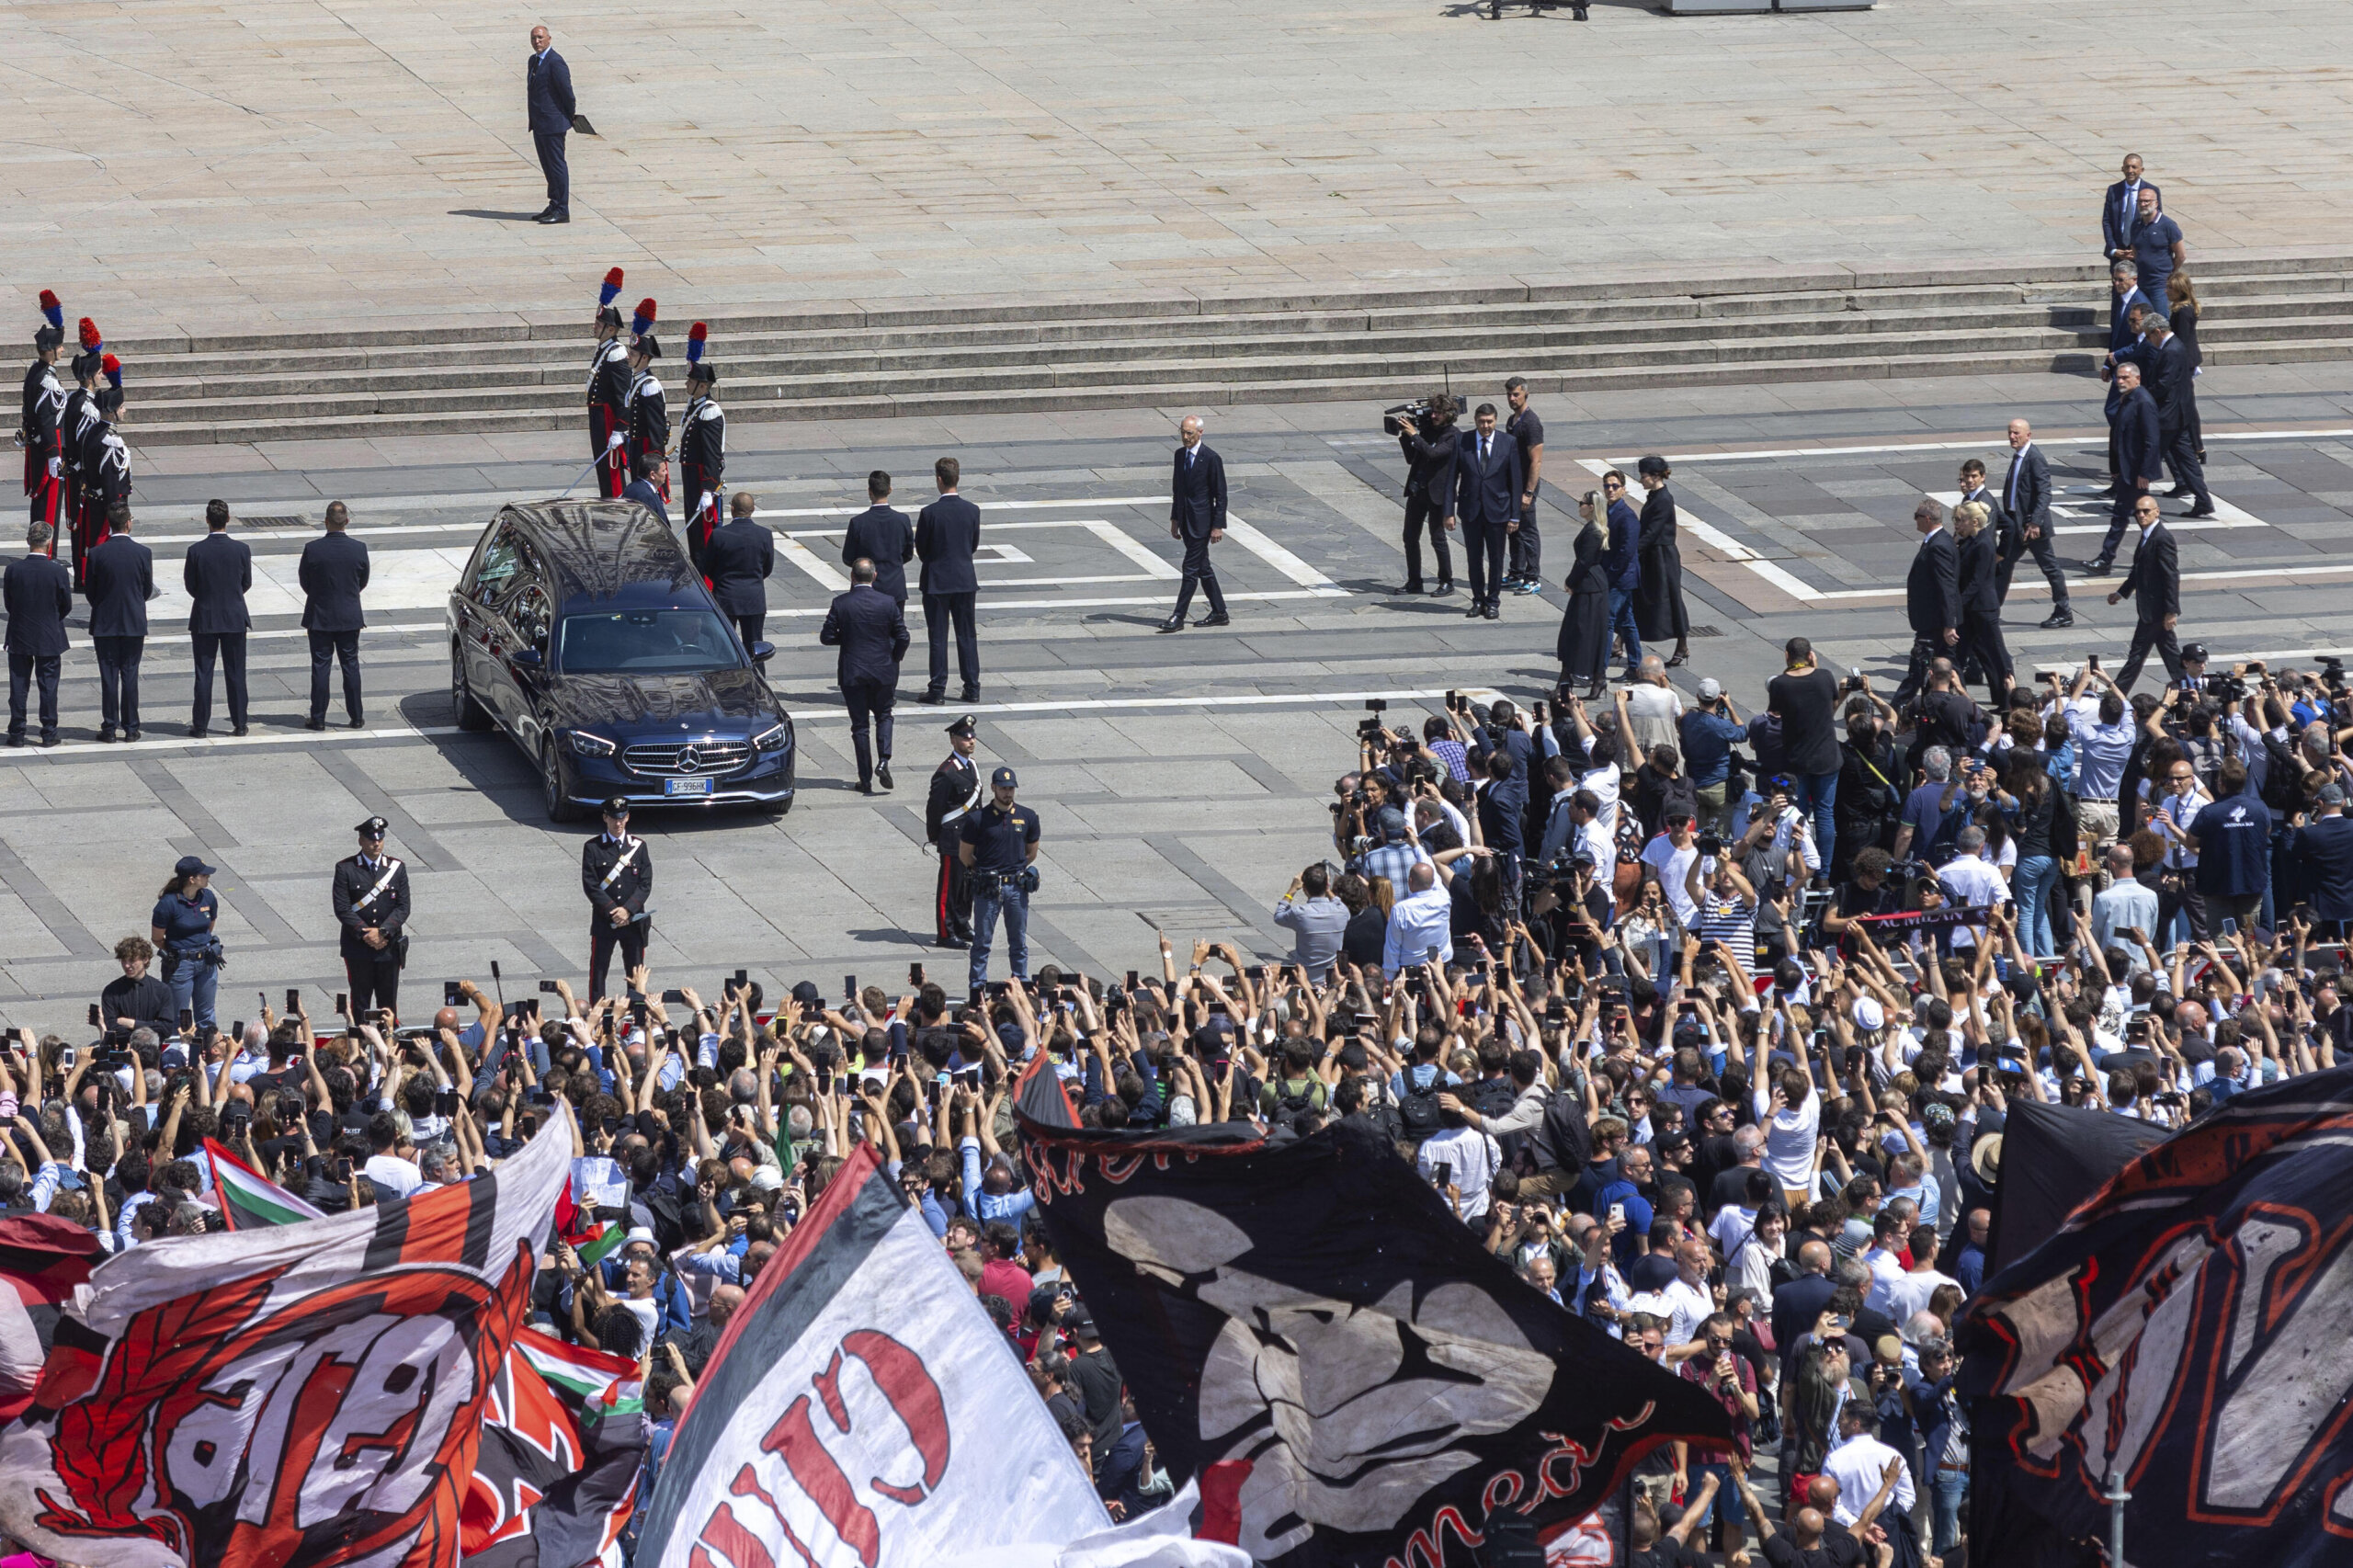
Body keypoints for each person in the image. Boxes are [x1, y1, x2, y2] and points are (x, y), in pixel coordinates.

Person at [820, 558, 910, 794]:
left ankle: (865, 779)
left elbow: (827, 636)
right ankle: (884, 760)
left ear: (852, 576)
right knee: (884, 716)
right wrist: (894, 658)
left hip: (853, 672)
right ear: (875, 576)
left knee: (860, 726)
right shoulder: (888, 603)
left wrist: (848, 638)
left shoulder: (841, 603)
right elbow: (903, 636)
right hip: (882, 670)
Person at [961, 766, 1041, 997]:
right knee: (982, 941)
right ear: (993, 788)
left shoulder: (1027, 816)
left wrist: (1015, 870)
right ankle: (977, 985)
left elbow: (1031, 852)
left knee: (1018, 940)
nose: (1008, 793)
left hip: (1016, 887)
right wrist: (984, 872)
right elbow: (965, 855)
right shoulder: (978, 819)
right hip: (988, 888)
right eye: (1004, 788)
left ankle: (1021, 983)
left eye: (1011, 788)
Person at [1768, 638, 1841, 875]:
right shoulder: (1825, 676)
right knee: (1825, 814)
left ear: (1787, 656)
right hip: (1827, 759)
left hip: (1796, 760)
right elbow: (1832, 702)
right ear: (1810, 655)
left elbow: (1776, 710)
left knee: (1794, 813)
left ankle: (1793, 867)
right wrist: (1816, 667)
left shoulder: (1780, 683)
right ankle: (1824, 873)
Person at [83, 502, 152, 743]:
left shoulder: (97, 553)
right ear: (129, 523)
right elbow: (146, 589)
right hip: (133, 622)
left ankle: (110, 727)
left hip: (105, 622)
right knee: (130, 675)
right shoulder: (143, 553)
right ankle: (131, 728)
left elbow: (90, 591)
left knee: (109, 676)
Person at [184, 499, 251, 737]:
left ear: (207, 521)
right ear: (228, 519)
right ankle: (240, 723)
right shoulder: (241, 550)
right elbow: (246, 583)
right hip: (233, 616)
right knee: (236, 673)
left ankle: (200, 726)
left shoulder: (196, 551)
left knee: (204, 673)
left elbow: (191, 586)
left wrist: (207, 598)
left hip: (205, 616)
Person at [916, 457, 982, 704]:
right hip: (965, 579)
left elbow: (921, 549)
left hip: (936, 581)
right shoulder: (972, 510)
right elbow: (972, 544)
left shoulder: (929, 513)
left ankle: (938, 689)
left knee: (938, 637)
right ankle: (972, 688)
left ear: (939, 480)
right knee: (967, 635)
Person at [299, 501, 369, 731]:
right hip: (349, 616)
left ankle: (318, 718)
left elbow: (305, 581)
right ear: (346, 521)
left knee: (320, 666)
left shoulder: (313, 549)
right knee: (351, 666)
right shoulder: (359, 548)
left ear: (325, 522)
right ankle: (356, 717)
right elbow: (362, 580)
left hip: (321, 616)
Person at [334, 816, 411, 1020]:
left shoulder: (396, 868)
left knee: (388, 1005)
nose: (376, 843)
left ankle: (388, 1045)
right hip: (358, 948)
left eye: (380, 838)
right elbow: (342, 908)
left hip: (388, 947)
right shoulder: (346, 869)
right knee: (360, 1004)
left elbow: (403, 907)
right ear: (361, 840)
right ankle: (359, 1047)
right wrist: (365, 934)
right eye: (371, 839)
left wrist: (383, 932)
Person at [1449, 401, 1519, 621]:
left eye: (1489, 422)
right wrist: (1448, 511)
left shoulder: (1508, 443)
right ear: (1475, 421)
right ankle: (1478, 598)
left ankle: (1493, 600)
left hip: (1498, 511)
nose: (1485, 426)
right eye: (1481, 422)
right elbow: (1452, 478)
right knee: (1474, 558)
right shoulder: (1463, 441)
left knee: (1496, 559)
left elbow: (1515, 482)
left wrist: (1515, 515)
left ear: (1495, 421)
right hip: (1471, 511)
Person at [1997, 417, 2069, 626]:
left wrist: (2035, 522)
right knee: (2003, 564)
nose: (2012, 436)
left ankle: (2064, 611)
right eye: (2010, 432)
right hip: (2017, 525)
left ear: (2028, 435)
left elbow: (2045, 493)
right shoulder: (2019, 456)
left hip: (2031, 527)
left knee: (2050, 568)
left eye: (2016, 433)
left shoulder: (2034, 458)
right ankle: (1992, 610)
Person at [1161, 415, 1230, 632]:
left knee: (1189, 569)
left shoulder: (1211, 458)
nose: (1185, 437)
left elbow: (1221, 495)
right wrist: (1174, 519)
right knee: (1203, 568)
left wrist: (1218, 526)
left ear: (1200, 433)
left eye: (1189, 433)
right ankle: (1220, 612)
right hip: (1185, 521)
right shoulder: (1180, 455)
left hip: (1202, 523)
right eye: (1182, 432)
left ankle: (1178, 616)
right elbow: (1177, 490)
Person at [3, 521, 69, 746]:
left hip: (20, 633)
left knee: (19, 686)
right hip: (49, 635)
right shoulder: (58, 571)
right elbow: (65, 605)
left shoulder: (13, 570)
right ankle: (49, 732)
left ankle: (17, 732)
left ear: (28, 541)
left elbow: (9, 603)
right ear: (49, 544)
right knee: (48, 686)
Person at [2142, 311, 2212, 518]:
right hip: (2178, 415)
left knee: (2146, 457)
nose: (2148, 340)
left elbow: (2164, 384)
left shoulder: (2171, 350)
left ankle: (2132, 499)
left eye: (2148, 336)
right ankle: (2203, 500)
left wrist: (2142, 395)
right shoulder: (2175, 347)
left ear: (2157, 332)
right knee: (2186, 460)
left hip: (2168, 417)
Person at [2109, 493, 2181, 692]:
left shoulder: (2162, 538)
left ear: (2157, 512)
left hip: (2156, 611)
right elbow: (2139, 571)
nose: (2141, 515)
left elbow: (2171, 576)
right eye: (2138, 511)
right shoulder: (2147, 535)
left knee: (2137, 654)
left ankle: (2116, 694)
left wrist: (2171, 611)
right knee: (2170, 653)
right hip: (2150, 609)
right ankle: (2189, 687)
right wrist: (2121, 592)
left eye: (2146, 511)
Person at [2097, 358, 2162, 574]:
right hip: (2127, 470)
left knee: (2124, 515)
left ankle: (2106, 559)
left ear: (2137, 378)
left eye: (2125, 377)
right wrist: (2115, 467)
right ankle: (2155, 555)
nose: (2120, 381)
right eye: (2118, 377)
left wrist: (2145, 472)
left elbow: (2152, 440)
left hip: (2135, 472)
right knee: (2136, 515)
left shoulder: (2143, 402)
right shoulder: (2128, 399)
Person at [582, 798, 652, 999]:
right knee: (599, 971)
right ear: (605, 818)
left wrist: (628, 910)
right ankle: (596, 1012)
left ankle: (635, 1013)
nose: (618, 823)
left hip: (632, 921)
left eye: (622, 818)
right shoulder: (593, 848)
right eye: (613, 818)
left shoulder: (639, 847)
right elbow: (591, 885)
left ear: (628, 817)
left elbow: (645, 883)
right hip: (606, 921)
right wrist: (613, 910)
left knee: (635, 972)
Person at [1391, 393, 1459, 597]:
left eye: (1438, 413)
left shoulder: (1453, 436)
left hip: (1438, 495)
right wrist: (1404, 435)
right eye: (1433, 412)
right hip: (1418, 490)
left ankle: (1447, 581)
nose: (1434, 416)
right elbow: (1413, 458)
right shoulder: (1427, 431)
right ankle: (1414, 581)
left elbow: (1433, 454)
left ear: (1448, 414)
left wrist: (1414, 435)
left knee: (1437, 539)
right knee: (1409, 536)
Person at [1893, 499, 1958, 705]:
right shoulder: (1937, 541)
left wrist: (1949, 625)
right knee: (1942, 669)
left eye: (1917, 517)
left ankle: (1894, 713)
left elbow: (1946, 587)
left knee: (1919, 671)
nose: (1915, 521)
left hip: (1935, 623)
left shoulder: (1938, 546)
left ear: (1927, 519)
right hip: (1934, 621)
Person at [926, 715, 983, 947]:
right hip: (953, 838)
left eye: (972, 737)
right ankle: (945, 932)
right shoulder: (947, 772)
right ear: (953, 740)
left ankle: (961, 922)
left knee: (966, 886)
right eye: (965, 737)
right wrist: (935, 836)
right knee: (949, 888)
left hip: (970, 838)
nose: (971, 741)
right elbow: (935, 808)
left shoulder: (971, 766)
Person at [152, 854, 222, 1028]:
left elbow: (209, 927)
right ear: (192, 879)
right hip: (181, 965)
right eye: (204, 875)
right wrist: (179, 951)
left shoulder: (208, 897)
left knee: (206, 1014)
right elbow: (157, 938)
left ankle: (209, 1051)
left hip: (207, 961)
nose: (208, 877)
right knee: (178, 1016)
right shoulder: (168, 904)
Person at [1952, 501, 2011, 709]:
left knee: (1997, 654)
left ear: (1974, 521)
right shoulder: (1969, 540)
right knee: (1959, 652)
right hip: (1971, 610)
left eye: (1961, 520)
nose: (1957, 524)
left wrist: (1957, 603)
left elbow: (1977, 581)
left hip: (1983, 608)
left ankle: (2006, 699)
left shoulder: (1984, 544)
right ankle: (1956, 694)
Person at [1632, 457, 1689, 667]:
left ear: (1655, 476)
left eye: (1644, 476)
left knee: (1671, 599)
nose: (1641, 480)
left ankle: (1682, 644)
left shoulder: (1663, 499)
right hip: (1652, 555)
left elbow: (1652, 532)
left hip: (1662, 557)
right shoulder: (1655, 496)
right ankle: (1621, 641)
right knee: (1639, 597)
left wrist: (1633, 551)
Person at [702, 491, 775, 654]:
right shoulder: (764, 535)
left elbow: (708, 566)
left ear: (732, 509)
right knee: (755, 648)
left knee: (722, 647)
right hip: (753, 598)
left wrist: (721, 580)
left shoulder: (719, 535)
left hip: (726, 596)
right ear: (753, 509)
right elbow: (767, 567)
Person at [1556, 490, 1611, 699]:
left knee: (1582, 633)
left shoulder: (1594, 532)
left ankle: (1578, 679)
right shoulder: (1593, 528)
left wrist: (1570, 581)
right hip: (1589, 587)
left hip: (1590, 588)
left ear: (1591, 507)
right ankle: (1571, 679)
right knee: (1576, 633)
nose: (1579, 505)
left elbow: (1584, 562)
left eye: (1582, 502)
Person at [676, 342, 726, 563]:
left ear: (703, 386)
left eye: (691, 381)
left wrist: (708, 488)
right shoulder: (695, 405)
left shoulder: (710, 412)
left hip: (701, 478)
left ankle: (708, 581)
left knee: (703, 535)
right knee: (694, 533)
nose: (687, 384)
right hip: (691, 477)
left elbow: (711, 454)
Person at [19, 296, 63, 540]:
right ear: (49, 350)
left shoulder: (36, 371)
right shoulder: (46, 379)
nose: (62, 349)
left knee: (42, 501)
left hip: (39, 445)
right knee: (48, 502)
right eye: (59, 346)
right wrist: (53, 452)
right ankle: (46, 550)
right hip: (48, 446)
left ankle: (44, 547)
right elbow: (47, 418)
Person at [525, 25, 576, 223]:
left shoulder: (556, 62)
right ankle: (554, 204)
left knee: (557, 166)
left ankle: (562, 209)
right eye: (533, 39)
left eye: (540, 38)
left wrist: (568, 116)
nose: (536, 42)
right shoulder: (534, 61)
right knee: (547, 166)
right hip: (539, 123)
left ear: (549, 39)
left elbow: (567, 94)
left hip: (553, 123)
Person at [842, 471, 915, 608]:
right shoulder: (902, 520)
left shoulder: (858, 522)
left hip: (865, 589)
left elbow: (848, 558)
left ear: (870, 492)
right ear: (890, 490)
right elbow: (908, 554)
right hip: (895, 587)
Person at [588, 276, 631, 500]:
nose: (594, 326)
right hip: (598, 417)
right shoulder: (604, 349)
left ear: (611, 328)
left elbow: (623, 395)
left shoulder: (616, 353)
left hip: (608, 419)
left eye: (599, 324)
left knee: (612, 473)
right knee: (603, 470)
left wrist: (620, 428)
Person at [1504, 377, 1545, 593]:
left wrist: (1528, 492)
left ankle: (1533, 576)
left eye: (1516, 394)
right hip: (1513, 485)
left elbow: (1536, 460)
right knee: (1514, 530)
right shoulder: (1512, 420)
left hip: (1525, 487)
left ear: (1525, 394)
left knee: (1528, 531)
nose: (1512, 398)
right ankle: (1516, 572)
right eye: (1509, 394)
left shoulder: (1531, 423)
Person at [1274, 863, 1349, 980]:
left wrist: (1292, 889)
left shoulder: (1300, 913)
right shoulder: (1342, 911)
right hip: (1332, 977)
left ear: (1304, 889)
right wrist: (1328, 889)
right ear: (1327, 886)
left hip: (1306, 977)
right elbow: (1337, 902)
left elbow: (1279, 916)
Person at [622, 307, 668, 496]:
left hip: (645, 449)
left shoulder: (650, 386)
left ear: (645, 357)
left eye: (632, 354)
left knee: (648, 495)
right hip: (635, 447)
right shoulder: (637, 380)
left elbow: (656, 428)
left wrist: (656, 462)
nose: (628, 356)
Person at [1604, 470, 1643, 680]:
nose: (1610, 490)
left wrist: (1609, 576)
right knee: (1627, 621)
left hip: (1621, 578)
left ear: (1623, 489)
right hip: (1618, 576)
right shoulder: (1608, 511)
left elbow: (1626, 552)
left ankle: (1598, 671)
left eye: (1615, 486)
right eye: (1607, 486)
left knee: (1607, 621)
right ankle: (1635, 666)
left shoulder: (1627, 516)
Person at [2129, 185, 2186, 317]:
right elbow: (2135, 250)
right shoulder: (2136, 225)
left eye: (2147, 201)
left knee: (2160, 321)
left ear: (2156, 203)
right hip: (2141, 282)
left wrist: (2169, 272)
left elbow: (2181, 255)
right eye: (2140, 201)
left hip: (2160, 284)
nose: (2143, 204)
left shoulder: (2168, 225)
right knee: (2141, 321)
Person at [2102, 153, 2155, 263]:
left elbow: (2155, 223)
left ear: (2142, 170)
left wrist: (2139, 248)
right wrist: (2113, 248)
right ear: (2122, 169)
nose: (2130, 170)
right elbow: (2107, 221)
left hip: (2140, 252)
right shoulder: (2113, 190)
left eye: (2134, 167)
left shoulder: (2151, 190)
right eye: (2127, 167)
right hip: (2118, 250)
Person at [622, 453, 670, 528]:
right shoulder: (646, 496)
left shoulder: (632, 487)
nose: (666, 473)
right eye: (663, 470)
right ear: (652, 475)